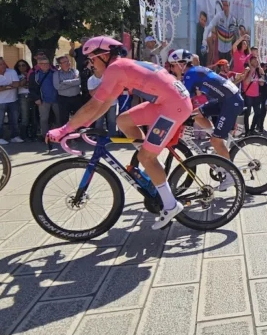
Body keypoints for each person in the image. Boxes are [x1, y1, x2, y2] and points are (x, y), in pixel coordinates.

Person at [46, 37, 192, 230]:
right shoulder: (120, 68)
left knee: (146, 157)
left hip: (173, 107)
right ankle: (151, 164)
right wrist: (84, 124)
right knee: (123, 120)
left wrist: (65, 129)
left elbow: (94, 104)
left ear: (105, 55)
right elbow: (104, 103)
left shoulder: (116, 69)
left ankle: (171, 205)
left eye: (92, 59)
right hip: (168, 101)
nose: (90, 64)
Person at [166, 49, 244, 165]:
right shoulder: (194, 71)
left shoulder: (190, 74)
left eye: (173, 66)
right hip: (225, 100)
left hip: (231, 102)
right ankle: (215, 136)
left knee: (216, 141)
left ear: (181, 64)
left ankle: (230, 175)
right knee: (196, 115)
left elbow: (183, 98)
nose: (171, 69)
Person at [30, 56, 60, 137]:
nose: (45, 65)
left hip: (56, 99)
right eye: (42, 63)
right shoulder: (34, 75)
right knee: (44, 119)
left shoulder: (55, 73)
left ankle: (59, 135)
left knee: (59, 118)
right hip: (43, 100)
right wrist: (36, 98)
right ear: (38, 64)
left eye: (47, 63)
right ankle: (45, 136)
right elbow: (31, 88)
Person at [87, 65, 117, 133]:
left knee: (112, 121)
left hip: (111, 103)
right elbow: (92, 94)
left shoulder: (108, 77)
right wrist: (102, 85)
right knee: (99, 122)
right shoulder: (90, 80)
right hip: (99, 104)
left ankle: (111, 139)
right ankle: (99, 139)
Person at [53, 55, 83, 124]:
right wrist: (72, 83)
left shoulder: (75, 71)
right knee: (64, 119)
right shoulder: (56, 74)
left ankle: (78, 134)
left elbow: (78, 81)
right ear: (60, 64)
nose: (68, 63)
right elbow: (57, 87)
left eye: (68, 61)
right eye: (64, 62)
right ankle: (66, 134)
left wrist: (63, 82)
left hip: (76, 98)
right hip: (63, 100)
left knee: (78, 118)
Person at [240, 55, 265, 134]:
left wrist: (262, 74)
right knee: (247, 113)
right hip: (248, 95)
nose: (256, 62)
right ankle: (247, 131)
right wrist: (251, 71)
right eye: (253, 61)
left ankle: (252, 129)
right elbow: (246, 82)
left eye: (256, 61)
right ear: (250, 62)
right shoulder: (247, 71)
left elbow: (261, 84)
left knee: (257, 113)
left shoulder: (258, 71)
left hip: (256, 95)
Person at [15, 59, 35, 139]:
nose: (21, 67)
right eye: (19, 65)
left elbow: (32, 84)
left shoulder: (32, 74)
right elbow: (20, 84)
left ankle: (33, 134)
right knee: (24, 116)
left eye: (23, 65)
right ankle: (24, 135)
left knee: (33, 116)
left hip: (32, 95)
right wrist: (26, 77)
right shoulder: (16, 75)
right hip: (22, 95)